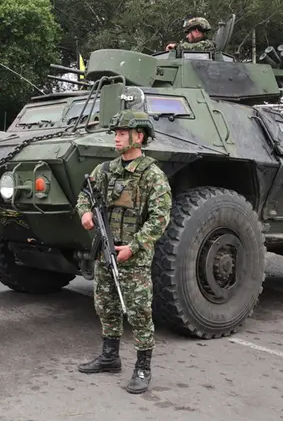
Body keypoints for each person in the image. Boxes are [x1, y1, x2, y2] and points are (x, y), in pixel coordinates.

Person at [75, 110, 172, 395]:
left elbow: (160, 218)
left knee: (139, 312)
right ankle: (110, 357)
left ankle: (143, 367)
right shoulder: (106, 170)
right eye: (115, 133)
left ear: (138, 136)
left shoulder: (152, 175)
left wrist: (134, 246)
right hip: (106, 251)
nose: (116, 138)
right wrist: (85, 213)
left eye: (121, 133)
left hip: (134, 256)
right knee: (106, 305)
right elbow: (84, 194)